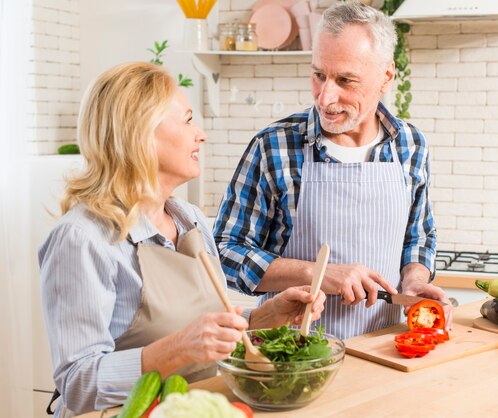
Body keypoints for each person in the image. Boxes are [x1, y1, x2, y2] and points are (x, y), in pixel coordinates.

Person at [39, 62, 326, 417]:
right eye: (188, 120)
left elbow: (206, 326)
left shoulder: (187, 217)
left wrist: (263, 318)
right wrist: (177, 348)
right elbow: (77, 384)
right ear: (141, 133)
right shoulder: (83, 238)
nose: (201, 135)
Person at [213, 2, 451, 341]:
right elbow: (223, 252)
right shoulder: (274, 146)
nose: (325, 97)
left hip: (386, 347)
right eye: (319, 75)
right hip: (294, 351)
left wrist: (414, 280)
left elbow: (418, 237)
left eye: (345, 80)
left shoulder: (410, 145)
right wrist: (318, 274)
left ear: (386, 75)